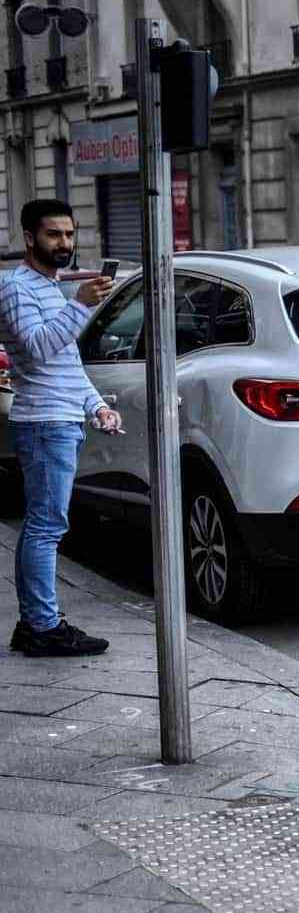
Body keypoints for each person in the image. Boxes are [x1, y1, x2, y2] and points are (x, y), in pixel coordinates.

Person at [1, 198, 119, 657]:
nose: (64, 243)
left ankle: (35, 621)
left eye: (69, 234)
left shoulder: (53, 289)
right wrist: (80, 306)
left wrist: (96, 407)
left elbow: (67, 365)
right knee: (46, 526)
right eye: (54, 234)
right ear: (30, 237)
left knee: (44, 525)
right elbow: (32, 350)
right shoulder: (16, 288)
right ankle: (42, 627)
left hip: (62, 419)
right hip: (43, 422)